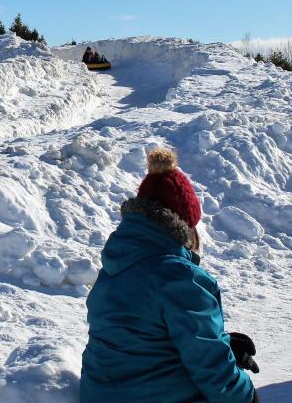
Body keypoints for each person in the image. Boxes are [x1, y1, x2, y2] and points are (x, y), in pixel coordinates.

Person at [80, 147, 259, 403]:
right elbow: (212, 370)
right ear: (184, 226)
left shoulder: (116, 267)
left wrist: (223, 343)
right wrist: (248, 397)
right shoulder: (179, 277)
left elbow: (143, 338)